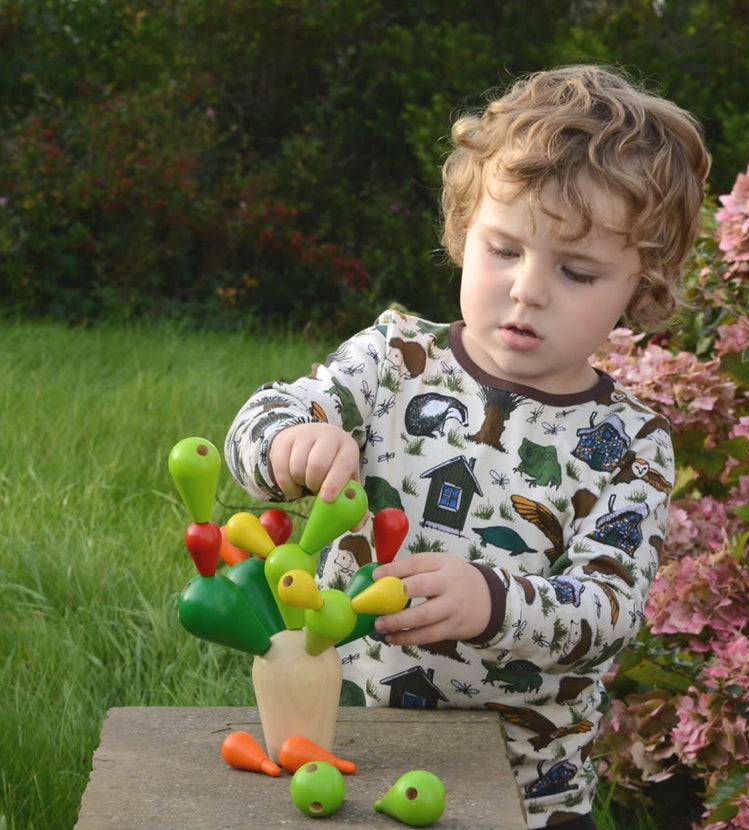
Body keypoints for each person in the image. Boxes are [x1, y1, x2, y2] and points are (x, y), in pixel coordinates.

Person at [225, 64, 710, 829]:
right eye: (505, 250)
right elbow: (263, 416)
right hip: (348, 754)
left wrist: (493, 600)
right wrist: (291, 441)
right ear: (462, 229)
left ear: (639, 289)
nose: (529, 290)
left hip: (527, 791)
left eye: (577, 271)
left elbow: (610, 608)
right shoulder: (392, 362)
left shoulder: (628, 444)